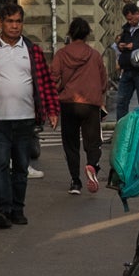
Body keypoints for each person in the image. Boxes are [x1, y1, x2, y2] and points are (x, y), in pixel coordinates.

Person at [0, 0, 60, 228]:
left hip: (25, 119)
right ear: (1, 23)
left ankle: (17, 209)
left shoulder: (32, 51)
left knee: (20, 167)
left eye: (18, 22)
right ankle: (2, 210)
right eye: (9, 21)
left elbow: (45, 83)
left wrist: (52, 110)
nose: (14, 26)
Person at [52, 17, 109, 194]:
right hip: (90, 104)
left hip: (68, 103)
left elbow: (53, 78)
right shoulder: (95, 55)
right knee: (93, 141)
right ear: (87, 34)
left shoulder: (61, 54)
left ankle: (75, 182)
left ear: (70, 33)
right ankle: (91, 165)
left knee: (70, 143)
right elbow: (104, 82)